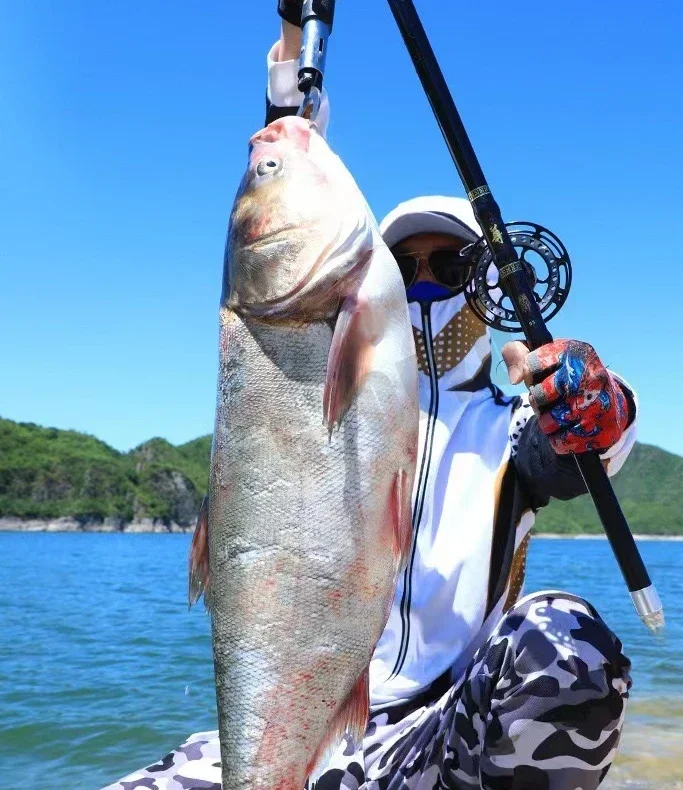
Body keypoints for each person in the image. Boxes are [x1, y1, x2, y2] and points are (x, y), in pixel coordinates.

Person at [104, 7, 638, 790]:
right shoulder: (321, 360)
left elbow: (596, 442)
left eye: (447, 266)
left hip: (436, 731)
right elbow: (289, 152)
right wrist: (294, 40)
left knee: (566, 642)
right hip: (299, 731)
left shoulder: (509, 429)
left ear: (486, 285)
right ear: (375, 279)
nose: (424, 282)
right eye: (407, 263)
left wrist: (600, 397)